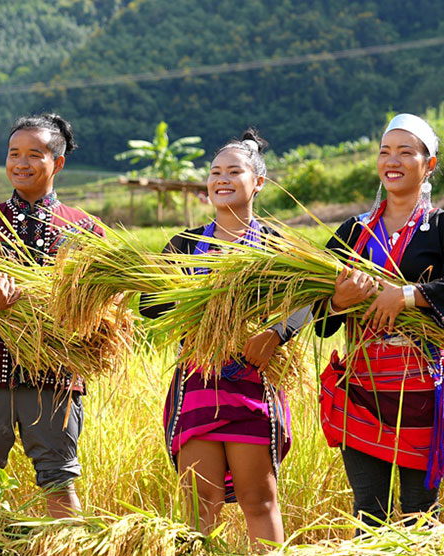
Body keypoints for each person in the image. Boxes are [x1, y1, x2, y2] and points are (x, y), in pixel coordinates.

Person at [315, 113, 444, 527]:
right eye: (384, 152)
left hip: (421, 391)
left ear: (428, 164)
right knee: (368, 511)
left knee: (419, 513)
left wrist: (407, 296)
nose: (392, 160)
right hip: (360, 389)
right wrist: (338, 301)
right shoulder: (353, 233)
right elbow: (316, 308)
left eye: (405, 152)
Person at [140, 130, 307, 550]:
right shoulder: (186, 244)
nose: (222, 179)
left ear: (258, 182)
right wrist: (193, 308)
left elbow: (309, 298)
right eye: (215, 172)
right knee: (200, 503)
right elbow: (149, 303)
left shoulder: (276, 244)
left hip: (253, 382)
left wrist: (275, 333)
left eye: (234, 171)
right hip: (198, 383)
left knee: (258, 499)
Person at [0, 113, 103, 518]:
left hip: (55, 373)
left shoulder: (87, 231)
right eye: (13, 153)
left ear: (58, 162)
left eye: (34, 154)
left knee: (58, 478)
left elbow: (102, 311)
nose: (21, 162)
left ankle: (66, 546)